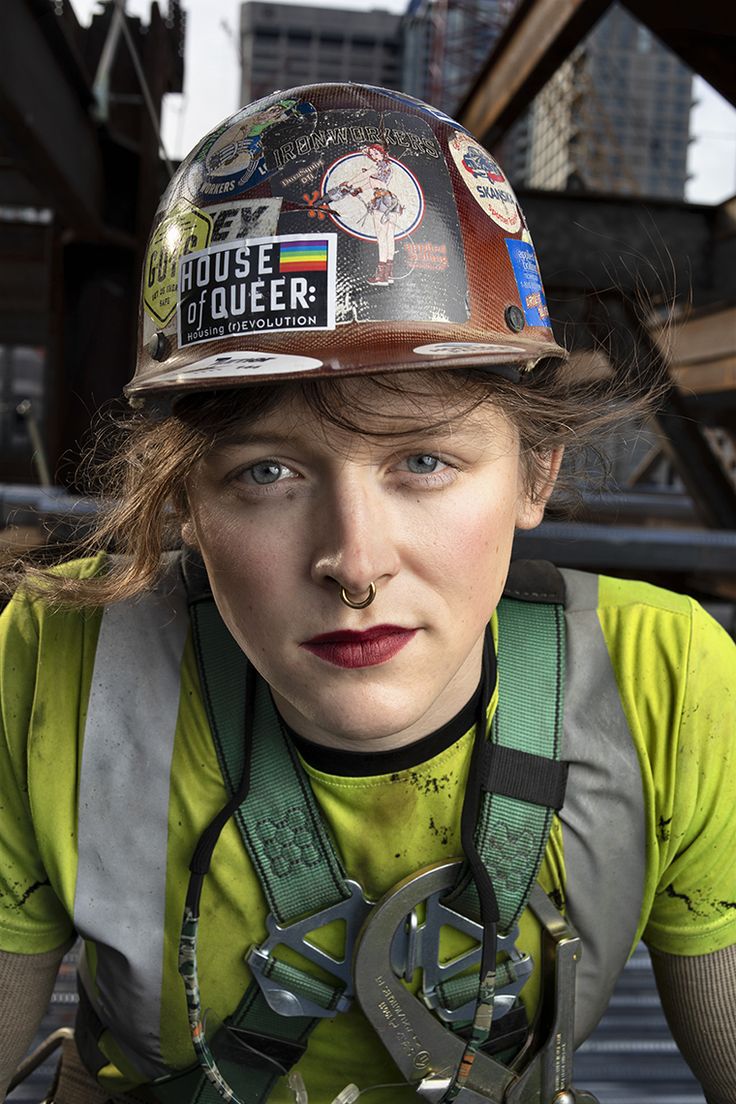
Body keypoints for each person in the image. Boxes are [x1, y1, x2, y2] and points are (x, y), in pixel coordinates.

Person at [0, 83, 735, 1104]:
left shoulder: (665, 686)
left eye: (423, 462)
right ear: (186, 505)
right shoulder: (56, 667)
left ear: (533, 475)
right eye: (267, 473)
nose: (354, 561)